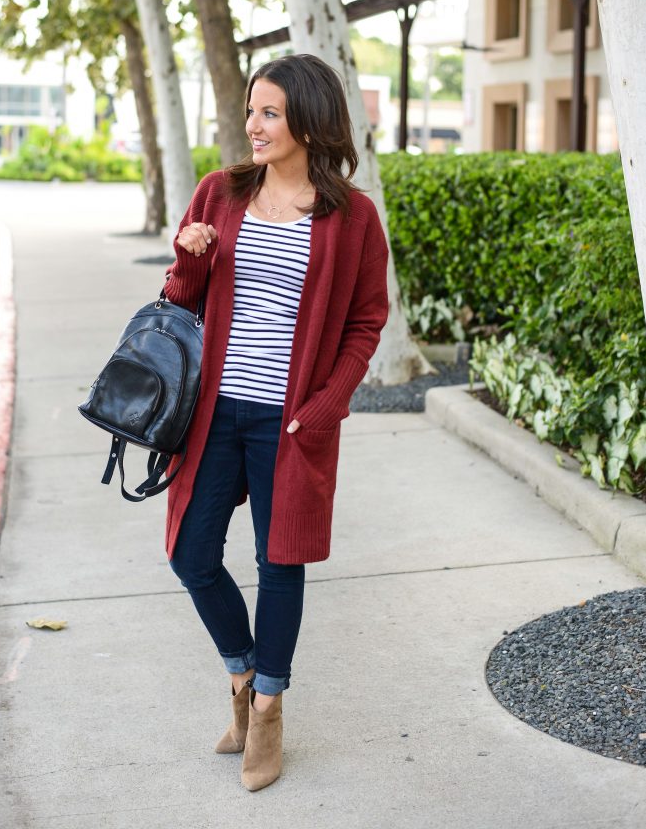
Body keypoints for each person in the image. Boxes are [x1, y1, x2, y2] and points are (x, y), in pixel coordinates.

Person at [164, 53, 389, 791]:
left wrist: (327, 404)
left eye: (269, 113)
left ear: (308, 122)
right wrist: (188, 256)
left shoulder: (350, 216)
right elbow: (180, 301)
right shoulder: (220, 193)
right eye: (251, 111)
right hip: (214, 412)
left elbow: (365, 320)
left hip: (289, 421)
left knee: (278, 561)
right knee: (191, 554)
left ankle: (268, 709)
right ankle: (242, 674)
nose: (252, 125)